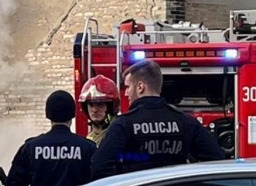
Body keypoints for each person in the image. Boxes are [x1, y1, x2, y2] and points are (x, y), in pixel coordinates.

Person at [90, 59, 226, 179]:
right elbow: (218, 161)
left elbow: (99, 168)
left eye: (128, 87)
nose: (125, 93)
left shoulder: (124, 124)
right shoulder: (185, 122)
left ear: (140, 87)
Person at [5, 90, 96, 186]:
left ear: (48, 114)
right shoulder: (87, 148)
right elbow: (99, 185)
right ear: (73, 114)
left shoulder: (30, 148)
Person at [79, 75, 120, 145]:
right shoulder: (90, 137)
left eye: (100, 104)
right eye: (91, 105)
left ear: (111, 106)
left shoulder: (119, 134)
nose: (94, 110)